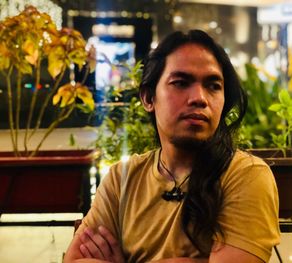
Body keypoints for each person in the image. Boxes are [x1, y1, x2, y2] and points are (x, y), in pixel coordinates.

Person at [64, 29, 280, 263]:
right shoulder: (121, 179)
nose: (200, 98)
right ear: (148, 98)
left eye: (213, 86)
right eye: (181, 83)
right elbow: (75, 260)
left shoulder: (245, 175)